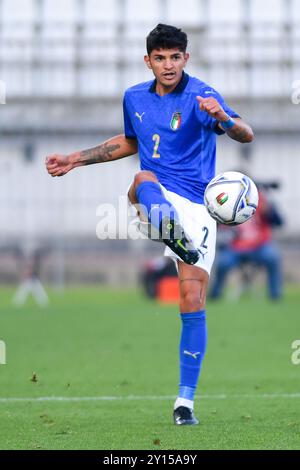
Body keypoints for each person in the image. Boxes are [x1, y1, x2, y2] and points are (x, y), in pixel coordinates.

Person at [45, 24, 254, 425]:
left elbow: (246, 134)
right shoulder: (134, 97)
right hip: (157, 197)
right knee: (140, 181)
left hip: (198, 206)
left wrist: (224, 117)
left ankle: (185, 404)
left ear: (185, 59)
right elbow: (130, 142)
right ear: (148, 61)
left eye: (175, 57)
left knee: (191, 302)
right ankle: (168, 228)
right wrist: (76, 159)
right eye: (160, 57)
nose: (168, 64)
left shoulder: (202, 96)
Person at [210, 187, 283, 300]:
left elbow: (279, 222)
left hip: (259, 247)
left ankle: (275, 295)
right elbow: (217, 225)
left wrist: (269, 211)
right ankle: (215, 295)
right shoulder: (228, 200)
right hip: (235, 248)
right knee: (222, 262)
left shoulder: (260, 200)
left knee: (272, 257)